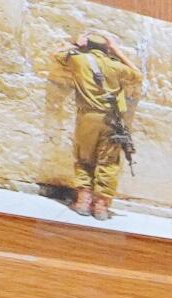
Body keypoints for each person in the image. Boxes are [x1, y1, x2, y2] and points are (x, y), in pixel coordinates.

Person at [52, 29, 139, 221]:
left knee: (84, 158)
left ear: (87, 46)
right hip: (113, 120)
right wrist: (117, 51)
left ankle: (83, 202)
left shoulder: (79, 60)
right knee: (108, 162)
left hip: (88, 118)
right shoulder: (115, 66)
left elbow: (57, 55)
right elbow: (137, 75)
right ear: (106, 49)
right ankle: (100, 207)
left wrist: (76, 43)